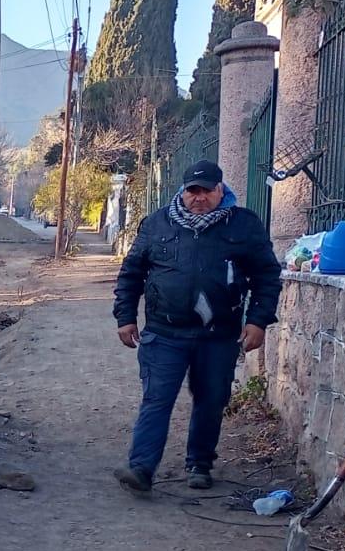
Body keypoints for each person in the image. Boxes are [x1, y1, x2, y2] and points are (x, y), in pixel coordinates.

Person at [112, 159, 282, 493]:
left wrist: (258, 321)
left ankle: (200, 464)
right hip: (164, 331)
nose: (199, 197)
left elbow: (267, 277)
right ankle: (142, 468)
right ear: (183, 190)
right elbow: (132, 273)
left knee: (211, 399)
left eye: (206, 190)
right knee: (157, 399)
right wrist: (125, 316)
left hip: (217, 335)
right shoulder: (157, 223)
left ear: (221, 190)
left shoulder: (244, 225)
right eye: (193, 190)